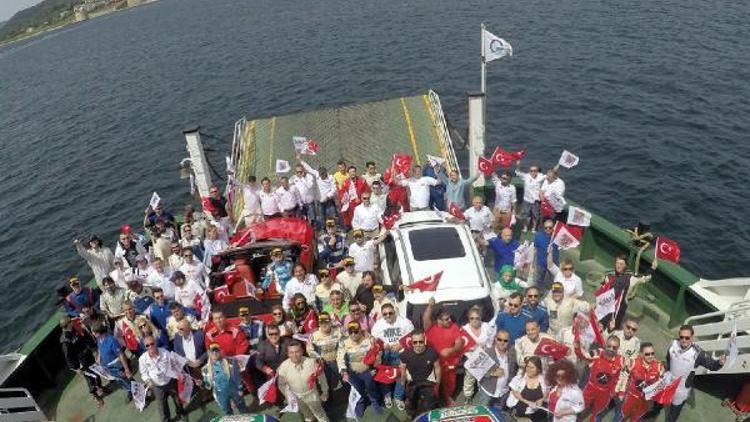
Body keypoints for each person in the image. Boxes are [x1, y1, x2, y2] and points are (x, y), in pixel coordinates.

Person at [663, 324, 725, 422]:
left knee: (673, 413)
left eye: (687, 338)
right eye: (681, 337)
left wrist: (719, 363)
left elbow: (712, 365)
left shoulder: (697, 354)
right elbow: (668, 357)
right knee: (659, 400)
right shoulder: (673, 343)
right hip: (668, 381)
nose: (684, 340)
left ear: (692, 338)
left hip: (681, 388)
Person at [371, 303, 413, 409]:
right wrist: (382, 345)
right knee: (385, 375)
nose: (388, 316)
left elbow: (412, 336)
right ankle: (387, 396)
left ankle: (398, 396)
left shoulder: (404, 322)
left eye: (390, 313)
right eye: (385, 314)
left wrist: (401, 344)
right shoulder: (378, 325)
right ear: (382, 314)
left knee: (401, 375)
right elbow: (374, 340)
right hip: (386, 353)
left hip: (401, 353)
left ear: (395, 312)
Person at [337, 321, 383, 416]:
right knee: (357, 390)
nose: (353, 334)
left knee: (371, 389)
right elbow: (340, 358)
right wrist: (344, 372)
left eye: (356, 331)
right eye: (351, 332)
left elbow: (377, 353)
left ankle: (375, 403)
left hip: (368, 372)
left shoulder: (368, 341)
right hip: (353, 373)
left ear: (360, 331)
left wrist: (376, 367)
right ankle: (360, 404)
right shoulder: (344, 343)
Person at [423, 298, 463, 406]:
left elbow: (459, 343)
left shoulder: (454, 327)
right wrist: (430, 306)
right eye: (446, 319)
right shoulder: (430, 327)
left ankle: (447, 397)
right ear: (439, 321)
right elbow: (426, 317)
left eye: (449, 318)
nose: (449, 320)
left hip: (448, 363)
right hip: (433, 363)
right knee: (431, 385)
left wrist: (451, 350)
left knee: (450, 384)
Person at [277, 341, 330, 422]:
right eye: (291, 352)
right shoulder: (283, 367)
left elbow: (322, 378)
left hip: (311, 395)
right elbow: (281, 384)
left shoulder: (311, 362)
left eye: (297, 351)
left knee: (320, 415)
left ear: (302, 351)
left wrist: (325, 392)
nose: (295, 355)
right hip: (297, 397)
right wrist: (288, 396)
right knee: (308, 416)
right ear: (288, 354)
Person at [138, 335, 185, 422]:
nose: (150, 346)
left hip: (170, 381)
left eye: (152, 344)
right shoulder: (142, 359)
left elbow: (173, 364)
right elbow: (143, 373)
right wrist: (148, 381)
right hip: (157, 386)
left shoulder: (165, 352)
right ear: (145, 347)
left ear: (155, 343)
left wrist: (179, 373)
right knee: (162, 407)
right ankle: (166, 420)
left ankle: (181, 412)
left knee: (177, 399)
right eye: (147, 345)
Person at [60, 316, 104, 407]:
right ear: (68, 325)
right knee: (90, 379)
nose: (72, 322)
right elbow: (68, 356)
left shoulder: (74, 329)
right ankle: (95, 396)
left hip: (87, 354)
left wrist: (93, 348)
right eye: (70, 322)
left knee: (97, 371)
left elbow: (83, 338)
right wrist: (76, 368)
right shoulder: (65, 340)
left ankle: (101, 387)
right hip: (81, 361)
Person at [602, 255, 655, 328]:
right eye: (617, 263)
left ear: (625, 266)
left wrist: (652, 268)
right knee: (600, 325)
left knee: (613, 329)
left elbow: (644, 277)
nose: (618, 266)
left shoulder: (631, 278)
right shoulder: (608, 275)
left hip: (620, 307)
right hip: (606, 304)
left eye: (621, 264)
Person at [581, 335, 625, 422]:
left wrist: (619, 392)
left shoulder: (621, 360)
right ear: (605, 345)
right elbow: (584, 355)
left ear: (618, 349)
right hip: (590, 388)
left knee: (596, 415)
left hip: (605, 393)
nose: (611, 349)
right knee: (580, 409)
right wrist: (578, 347)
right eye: (609, 346)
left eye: (614, 347)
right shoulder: (598, 352)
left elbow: (623, 377)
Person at [400, 329, 441, 418]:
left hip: (428, 383)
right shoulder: (405, 354)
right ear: (411, 342)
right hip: (413, 382)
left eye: (420, 341)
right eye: (415, 342)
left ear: (424, 340)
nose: (418, 344)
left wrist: (437, 383)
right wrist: (403, 384)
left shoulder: (432, 352)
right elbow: (402, 370)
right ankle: (412, 416)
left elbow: (437, 368)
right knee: (410, 404)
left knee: (428, 407)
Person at [620, 342, 664, 421]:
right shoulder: (633, 363)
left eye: (652, 353)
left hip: (645, 401)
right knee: (622, 417)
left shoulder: (659, 366)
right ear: (641, 354)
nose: (651, 356)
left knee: (635, 420)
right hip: (631, 398)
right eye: (647, 354)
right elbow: (623, 377)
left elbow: (661, 384)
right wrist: (622, 392)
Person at [202, 343, 249, 415]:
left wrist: (240, 389)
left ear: (220, 351)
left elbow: (237, 377)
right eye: (212, 351)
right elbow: (208, 386)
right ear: (208, 353)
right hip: (221, 395)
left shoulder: (231, 361)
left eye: (216, 350)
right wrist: (201, 383)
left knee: (243, 410)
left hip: (235, 391)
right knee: (228, 414)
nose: (214, 353)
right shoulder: (205, 369)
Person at [461, 305, 495, 402]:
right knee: (469, 378)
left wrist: (486, 348)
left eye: (477, 318)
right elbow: (462, 345)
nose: (474, 320)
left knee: (484, 377)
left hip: (484, 356)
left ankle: (482, 394)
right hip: (470, 357)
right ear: (468, 319)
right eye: (472, 318)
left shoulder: (486, 327)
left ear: (481, 318)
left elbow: (491, 341)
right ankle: (468, 396)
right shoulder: (464, 329)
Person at [92, 322, 133, 400]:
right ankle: (129, 390)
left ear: (98, 333)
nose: (93, 334)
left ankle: (135, 392)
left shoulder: (111, 340)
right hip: (109, 367)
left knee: (127, 379)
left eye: (93, 332)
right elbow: (100, 349)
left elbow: (121, 354)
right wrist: (98, 358)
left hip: (117, 365)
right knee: (119, 380)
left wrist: (126, 369)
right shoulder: (98, 340)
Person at [610, 317, 642, 417]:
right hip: (610, 369)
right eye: (628, 327)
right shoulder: (615, 334)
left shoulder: (636, 343)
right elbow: (604, 345)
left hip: (623, 374)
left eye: (634, 329)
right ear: (624, 325)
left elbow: (634, 359)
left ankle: (618, 415)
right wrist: (609, 330)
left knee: (620, 401)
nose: (630, 330)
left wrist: (630, 362)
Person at [477, 329, 518, 406]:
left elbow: (514, 370)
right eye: (499, 339)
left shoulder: (512, 354)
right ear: (495, 339)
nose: (502, 342)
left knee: (498, 415)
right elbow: (477, 371)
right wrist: (493, 373)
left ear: (509, 342)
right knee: (482, 413)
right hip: (487, 392)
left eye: (505, 341)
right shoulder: (488, 352)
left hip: (503, 393)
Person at [307, 312, 342, 396]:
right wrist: (318, 358)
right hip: (323, 363)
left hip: (337, 360)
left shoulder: (337, 331)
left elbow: (344, 344)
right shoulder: (314, 335)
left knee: (343, 380)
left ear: (330, 321)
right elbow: (309, 350)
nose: (324, 324)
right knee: (327, 384)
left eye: (326, 321)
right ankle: (329, 398)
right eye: (321, 321)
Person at [507, 356, 548, 422]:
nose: (528, 369)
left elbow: (547, 390)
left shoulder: (544, 380)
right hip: (519, 412)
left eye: (532, 367)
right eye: (528, 366)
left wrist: (542, 399)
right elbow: (515, 393)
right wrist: (528, 402)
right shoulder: (519, 378)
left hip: (535, 414)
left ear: (538, 369)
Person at [299, 158, 339, 224]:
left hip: (328, 200)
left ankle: (335, 227)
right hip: (319, 201)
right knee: (321, 216)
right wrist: (301, 161)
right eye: (320, 174)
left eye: (323, 174)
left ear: (326, 172)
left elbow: (334, 189)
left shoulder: (331, 178)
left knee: (332, 215)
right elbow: (309, 169)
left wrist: (328, 196)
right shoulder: (317, 174)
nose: (321, 176)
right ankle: (324, 228)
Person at [515, 162, 545, 232]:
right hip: (527, 200)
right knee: (525, 215)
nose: (533, 172)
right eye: (531, 171)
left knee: (535, 216)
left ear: (538, 171)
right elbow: (518, 172)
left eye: (535, 171)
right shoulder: (526, 176)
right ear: (529, 171)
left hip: (536, 201)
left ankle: (533, 228)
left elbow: (550, 175)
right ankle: (525, 227)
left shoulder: (541, 176)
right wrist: (518, 165)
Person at [534, 219, 559, 288]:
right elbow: (535, 249)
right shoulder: (538, 236)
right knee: (539, 280)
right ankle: (538, 293)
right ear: (543, 228)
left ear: (553, 228)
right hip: (541, 263)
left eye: (550, 227)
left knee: (554, 281)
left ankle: (551, 294)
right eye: (546, 228)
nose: (548, 229)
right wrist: (533, 262)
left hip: (553, 264)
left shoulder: (557, 237)